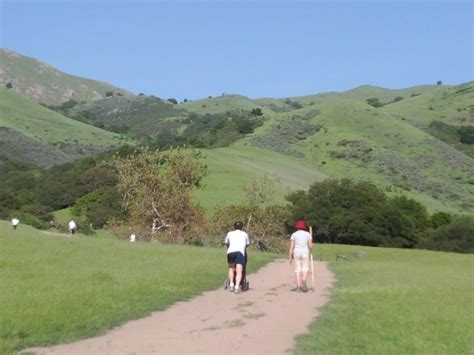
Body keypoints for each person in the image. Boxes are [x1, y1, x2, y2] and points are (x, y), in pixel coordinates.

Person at [224, 221, 250, 294]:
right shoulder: (245, 234)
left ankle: (231, 284)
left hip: (230, 253)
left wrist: (229, 247)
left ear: (234, 227)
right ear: (242, 227)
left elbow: (226, 243)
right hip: (240, 253)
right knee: (239, 270)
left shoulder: (229, 233)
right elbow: (247, 244)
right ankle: (237, 286)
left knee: (231, 268)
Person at [289, 220, 312, 292]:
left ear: (297, 227)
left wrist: (290, 256)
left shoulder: (294, 234)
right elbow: (310, 246)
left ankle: (298, 287)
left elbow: (291, 246)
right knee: (305, 268)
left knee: (297, 269)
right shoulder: (308, 234)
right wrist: (311, 242)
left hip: (296, 253)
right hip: (305, 252)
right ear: (303, 227)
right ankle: (304, 281)